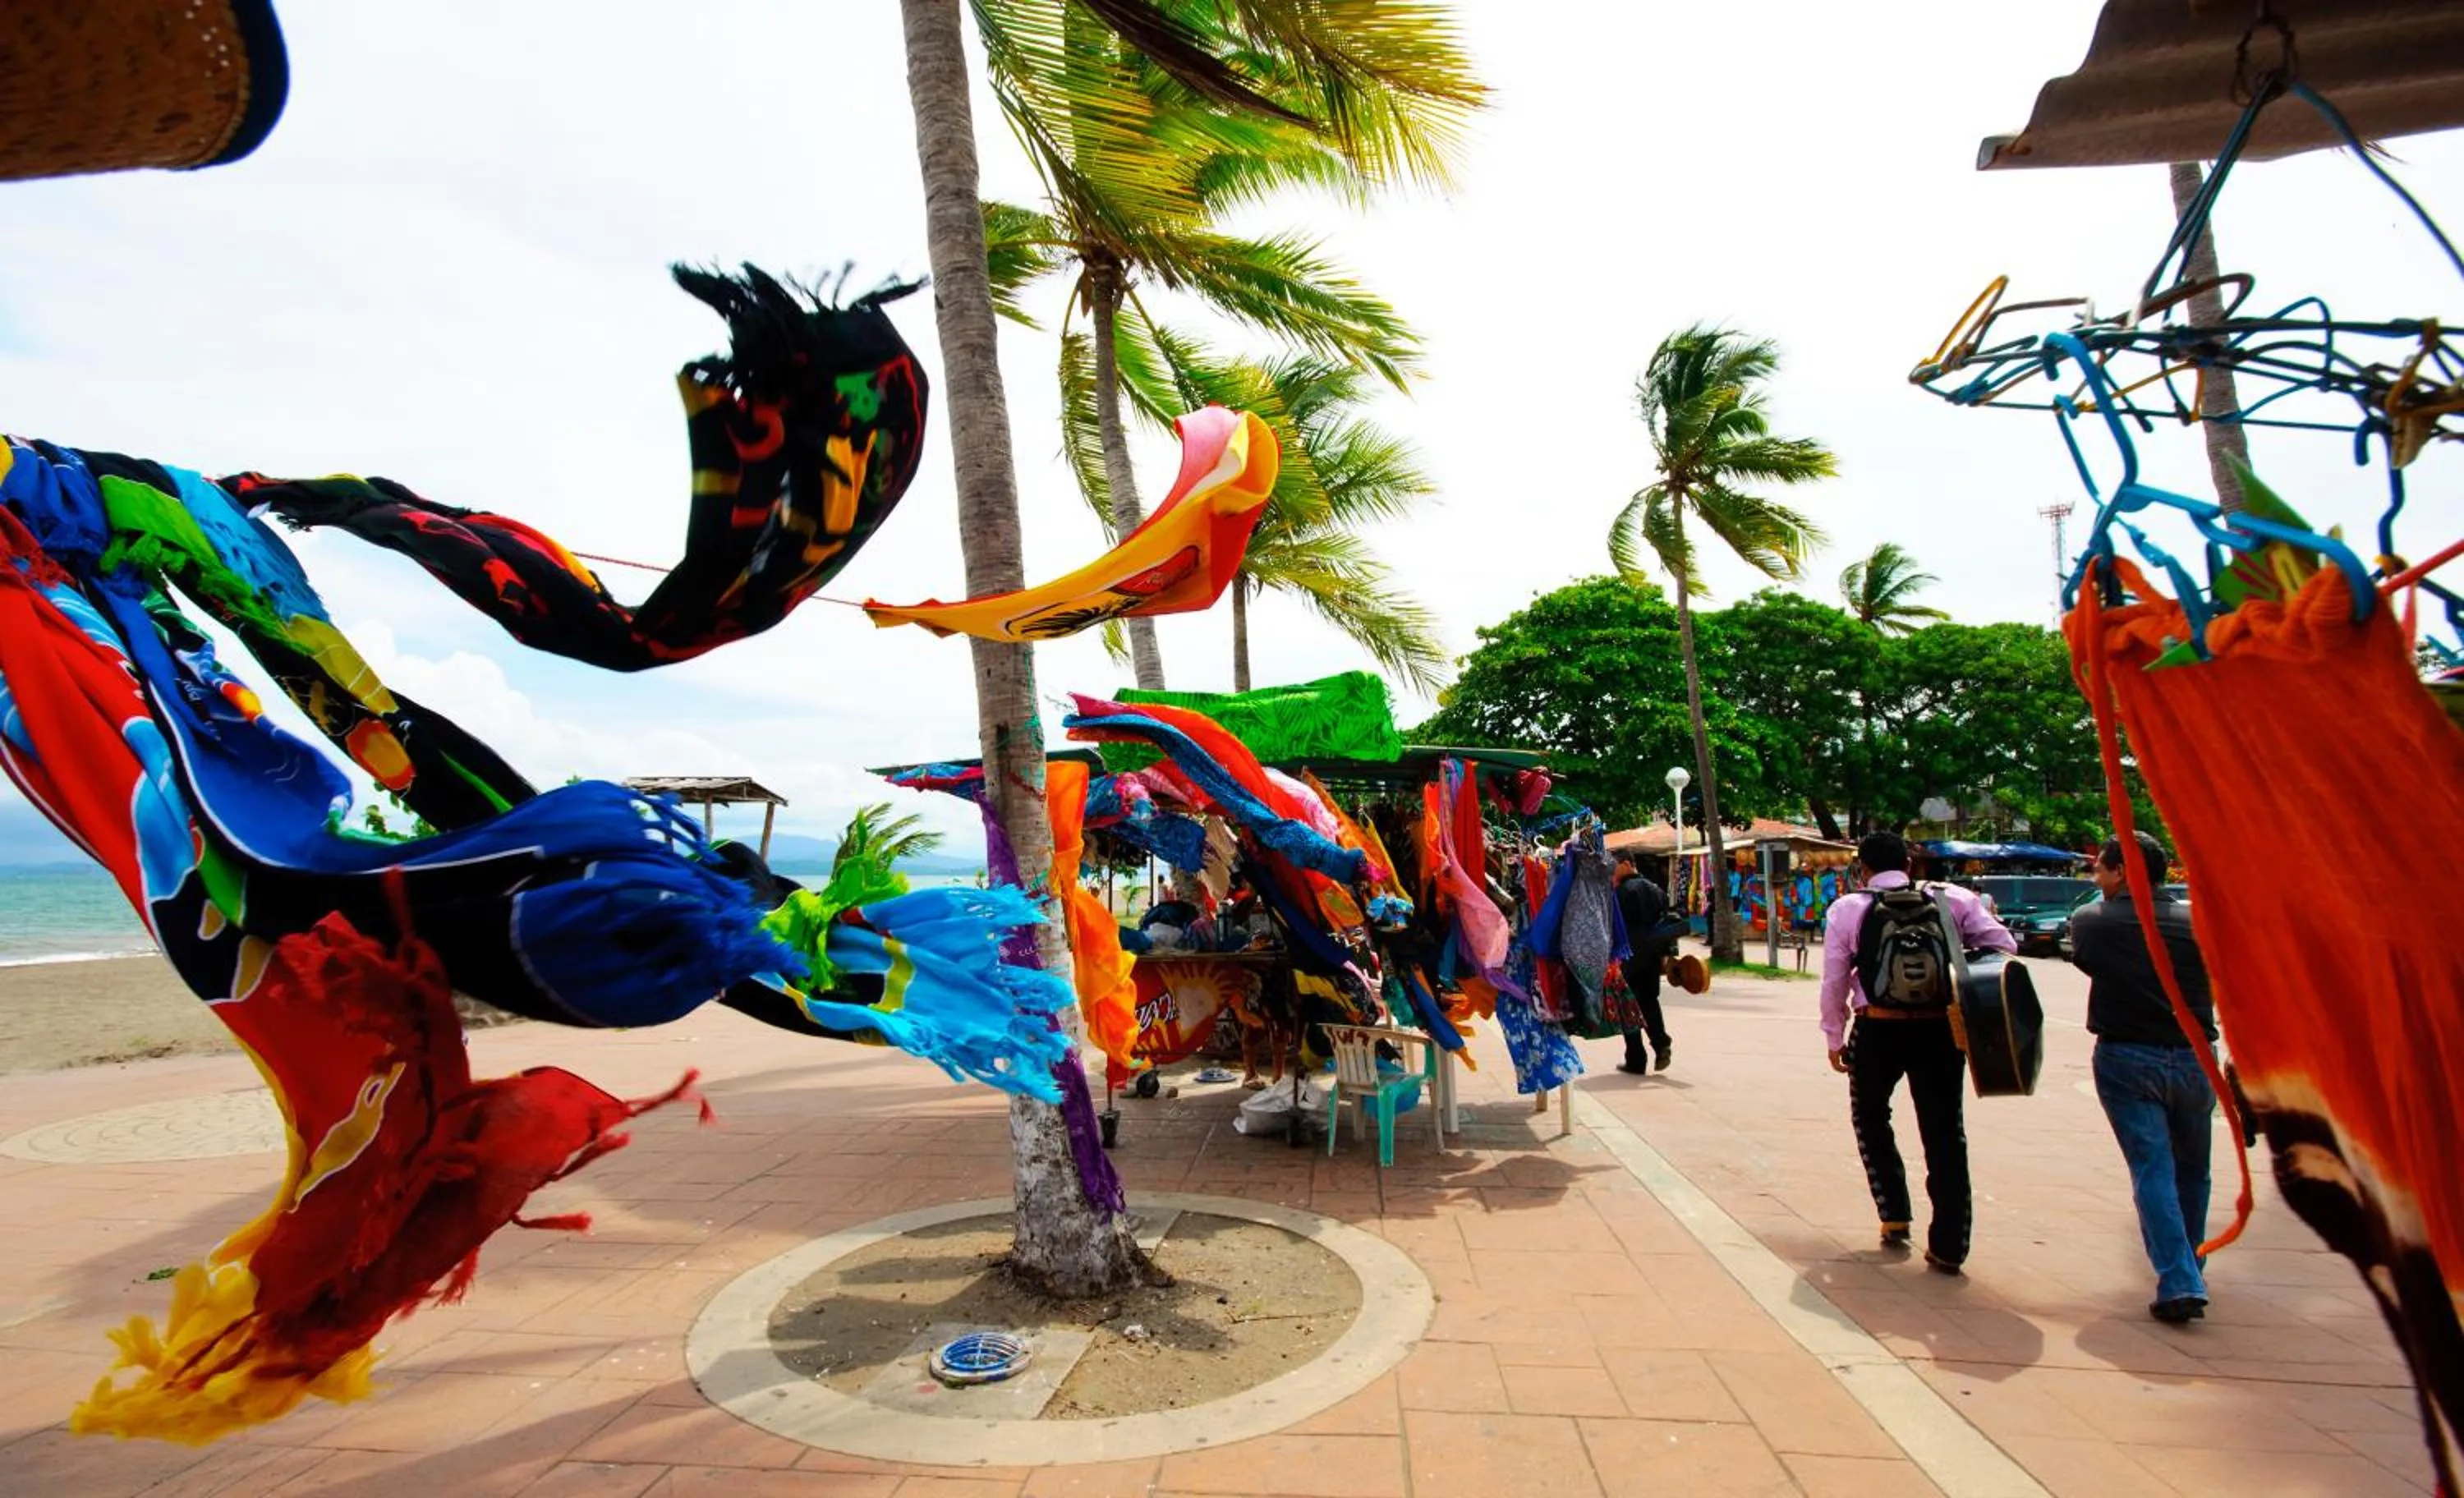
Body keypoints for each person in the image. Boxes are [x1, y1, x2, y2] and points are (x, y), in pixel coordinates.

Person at [1820, 831, 2015, 1274]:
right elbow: (2005, 945)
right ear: (1909, 864)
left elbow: (1834, 980)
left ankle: (1893, 1214)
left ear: (1862, 869)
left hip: (1877, 1030)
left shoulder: (1850, 909)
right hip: (1941, 1031)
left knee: (1870, 1117)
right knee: (1945, 1131)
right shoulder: (1953, 901)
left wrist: (1834, 1036)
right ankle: (1949, 1246)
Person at [2069, 832, 2219, 1326]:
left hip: (2127, 1056)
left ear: (2119, 871)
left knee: (2152, 1167)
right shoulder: (2198, 921)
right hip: (2195, 1057)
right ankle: (2190, 1266)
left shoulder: (2094, 921)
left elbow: (2086, 959)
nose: (2096, 879)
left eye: (2101, 870)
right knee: (2192, 1169)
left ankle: (2179, 1278)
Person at [1611, 853, 1676, 1073]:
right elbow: (1667, 924)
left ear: (1627, 864)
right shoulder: (1656, 890)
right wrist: (1667, 955)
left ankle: (1636, 1058)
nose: (1612, 871)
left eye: (1614, 866)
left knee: (1627, 1007)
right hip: (1652, 956)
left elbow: (1613, 929)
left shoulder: (1620, 894)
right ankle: (1661, 1044)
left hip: (1628, 957)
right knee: (1649, 1002)